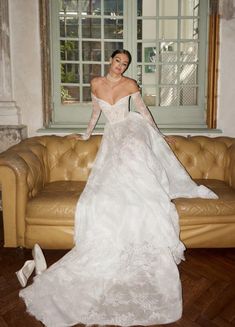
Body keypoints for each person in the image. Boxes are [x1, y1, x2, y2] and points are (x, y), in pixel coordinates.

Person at [17, 49, 218, 327]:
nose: (121, 66)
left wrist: (158, 136)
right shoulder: (96, 83)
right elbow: (96, 112)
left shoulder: (131, 85)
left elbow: (143, 111)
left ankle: (145, 205)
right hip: (112, 134)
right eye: (117, 61)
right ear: (110, 61)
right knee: (109, 182)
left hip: (131, 129)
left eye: (125, 64)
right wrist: (86, 134)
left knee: (138, 165)